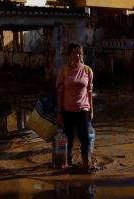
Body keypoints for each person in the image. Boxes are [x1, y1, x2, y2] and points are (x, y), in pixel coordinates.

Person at [55, 42, 94, 170]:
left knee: (85, 138)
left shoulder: (88, 70)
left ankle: (86, 163)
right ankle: (68, 162)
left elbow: (89, 92)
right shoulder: (63, 71)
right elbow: (60, 93)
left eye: (79, 53)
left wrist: (91, 111)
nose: (77, 55)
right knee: (69, 139)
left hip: (83, 110)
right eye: (74, 53)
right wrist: (59, 112)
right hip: (67, 111)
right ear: (69, 55)